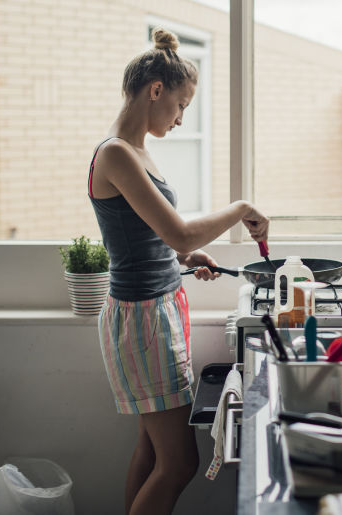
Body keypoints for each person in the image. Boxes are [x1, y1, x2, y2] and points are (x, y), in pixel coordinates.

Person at [88, 27, 269, 514]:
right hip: (142, 320)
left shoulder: (137, 152)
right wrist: (239, 209)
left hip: (155, 309)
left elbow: (147, 238)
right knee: (179, 464)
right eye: (181, 104)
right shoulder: (116, 154)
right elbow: (179, 232)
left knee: (153, 452)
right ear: (155, 91)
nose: (181, 116)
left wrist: (184, 260)